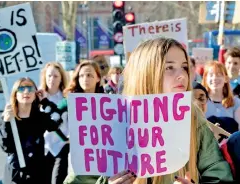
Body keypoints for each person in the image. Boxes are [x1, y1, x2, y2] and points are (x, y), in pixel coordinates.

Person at [121, 38, 233, 184]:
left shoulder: (193, 118)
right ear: (145, 73)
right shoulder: (116, 121)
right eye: (169, 68)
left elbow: (219, 176)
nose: (182, 75)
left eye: (185, 67)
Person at [61, 60, 136, 184]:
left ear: (98, 78)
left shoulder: (108, 102)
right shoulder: (69, 101)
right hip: (81, 156)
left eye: (89, 75)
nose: (85, 78)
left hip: (102, 156)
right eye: (81, 75)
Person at [0, 77, 66, 184]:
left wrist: (45, 101)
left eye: (30, 88)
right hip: (15, 175)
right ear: (15, 94)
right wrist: (6, 122)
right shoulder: (8, 118)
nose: (26, 92)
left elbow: (57, 121)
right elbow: (5, 146)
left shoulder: (40, 118)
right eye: (21, 88)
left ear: (35, 94)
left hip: (37, 175)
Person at [39, 62, 69, 184]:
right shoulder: (38, 97)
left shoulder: (66, 97)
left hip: (62, 145)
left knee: (57, 180)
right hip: (43, 147)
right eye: (49, 76)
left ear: (61, 78)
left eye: (56, 76)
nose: (52, 79)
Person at [202, 61, 240, 133]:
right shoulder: (199, 102)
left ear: (226, 78)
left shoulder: (236, 103)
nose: (215, 78)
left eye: (219, 75)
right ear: (205, 78)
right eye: (211, 75)